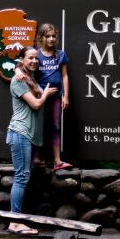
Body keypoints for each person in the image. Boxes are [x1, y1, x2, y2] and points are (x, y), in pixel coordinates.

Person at [6, 46, 57, 235]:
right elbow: (36, 104)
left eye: (37, 58)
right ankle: (15, 222)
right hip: (20, 133)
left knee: (24, 176)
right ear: (22, 60)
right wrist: (45, 94)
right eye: (30, 58)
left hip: (28, 136)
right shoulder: (18, 80)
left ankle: (17, 220)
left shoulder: (29, 79)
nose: (34, 61)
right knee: (21, 177)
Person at [35, 23, 73, 171]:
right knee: (38, 126)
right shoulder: (36, 54)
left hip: (57, 96)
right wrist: (18, 72)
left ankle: (57, 160)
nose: (51, 39)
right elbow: (21, 66)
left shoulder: (60, 54)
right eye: (47, 36)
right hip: (41, 96)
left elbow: (64, 76)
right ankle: (36, 158)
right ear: (41, 37)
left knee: (56, 126)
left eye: (53, 36)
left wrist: (66, 96)